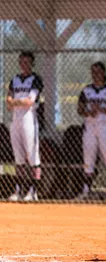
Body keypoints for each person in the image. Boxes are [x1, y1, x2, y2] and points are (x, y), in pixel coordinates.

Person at [77, 62, 106, 199]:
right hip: (90, 125)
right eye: (93, 72)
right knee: (88, 157)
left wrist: (101, 109)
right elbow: (80, 109)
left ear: (103, 73)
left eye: (98, 72)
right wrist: (88, 112)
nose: (95, 75)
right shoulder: (86, 90)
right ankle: (86, 190)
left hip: (105, 125)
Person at [7, 51, 44, 201]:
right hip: (15, 119)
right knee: (18, 156)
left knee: (32, 155)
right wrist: (17, 102)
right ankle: (19, 190)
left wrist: (16, 102)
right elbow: (8, 101)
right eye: (21, 62)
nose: (24, 65)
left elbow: (30, 101)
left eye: (27, 62)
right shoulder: (15, 79)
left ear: (32, 63)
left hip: (29, 118)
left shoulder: (36, 79)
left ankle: (33, 190)